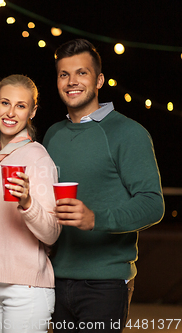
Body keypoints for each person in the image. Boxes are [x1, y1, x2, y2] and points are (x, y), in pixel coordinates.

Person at [43, 39, 164, 332]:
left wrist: (95, 218)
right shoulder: (52, 134)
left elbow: (152, 204)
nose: (72, 82)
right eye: (64, 74)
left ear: (98, 80)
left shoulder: (128, 132)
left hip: (105, 283)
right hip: (52, 280)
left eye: (81, 73)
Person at [0, 74, 60, 332]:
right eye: (5, 103)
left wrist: (27, 201)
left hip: (25, 288)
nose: (10, 112)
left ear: (32, 111)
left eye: (21, 106)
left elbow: (52, 233)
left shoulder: (36, 156)